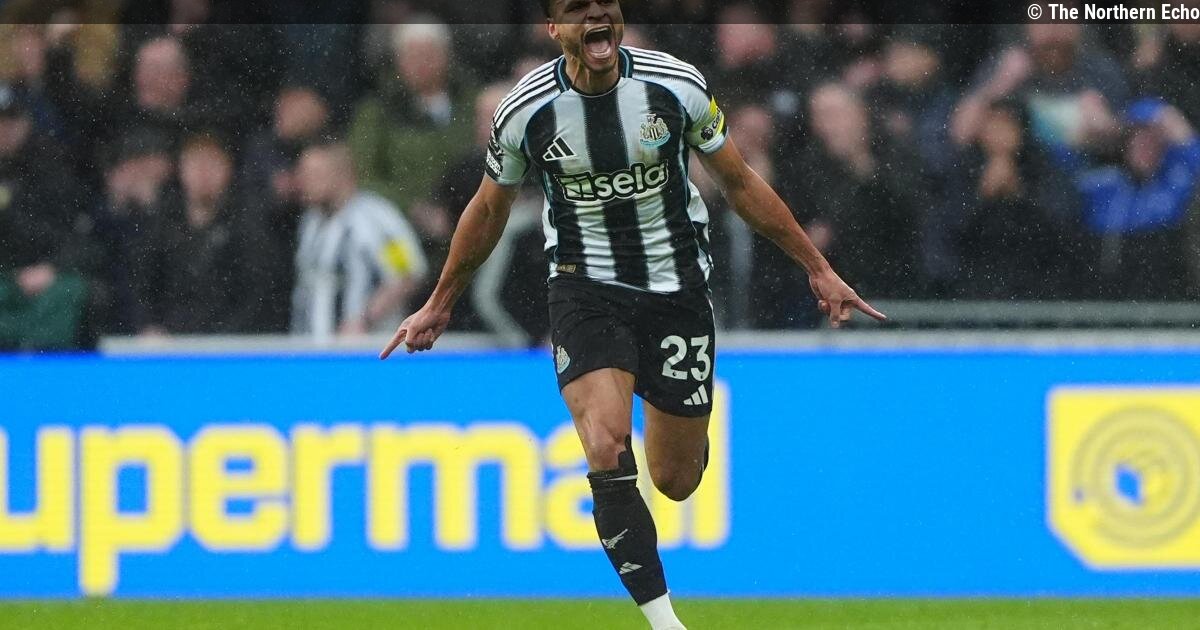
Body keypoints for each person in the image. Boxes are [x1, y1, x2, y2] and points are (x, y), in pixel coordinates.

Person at [379, 2, 886, 628]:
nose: (597, 16)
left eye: (606, 6)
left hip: (676, 290)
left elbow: (739, 182)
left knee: (675, 479)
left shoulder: (675, 86)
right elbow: (487, 209)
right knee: (605, 441)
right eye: (578, 9)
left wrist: (817, 267)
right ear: (554, 30)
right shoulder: (525, 111)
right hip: (584, 287)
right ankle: (665, 621)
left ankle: (675, 420)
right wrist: (440, 301)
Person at [291, 141, 428, 342]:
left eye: (314, 174)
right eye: (303, 174)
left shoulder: (376, 218)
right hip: (311, 349)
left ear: (342, 174)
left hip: (364, 349)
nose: (304, 182)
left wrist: (364, 319)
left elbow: (407, 273)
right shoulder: (310, 222)